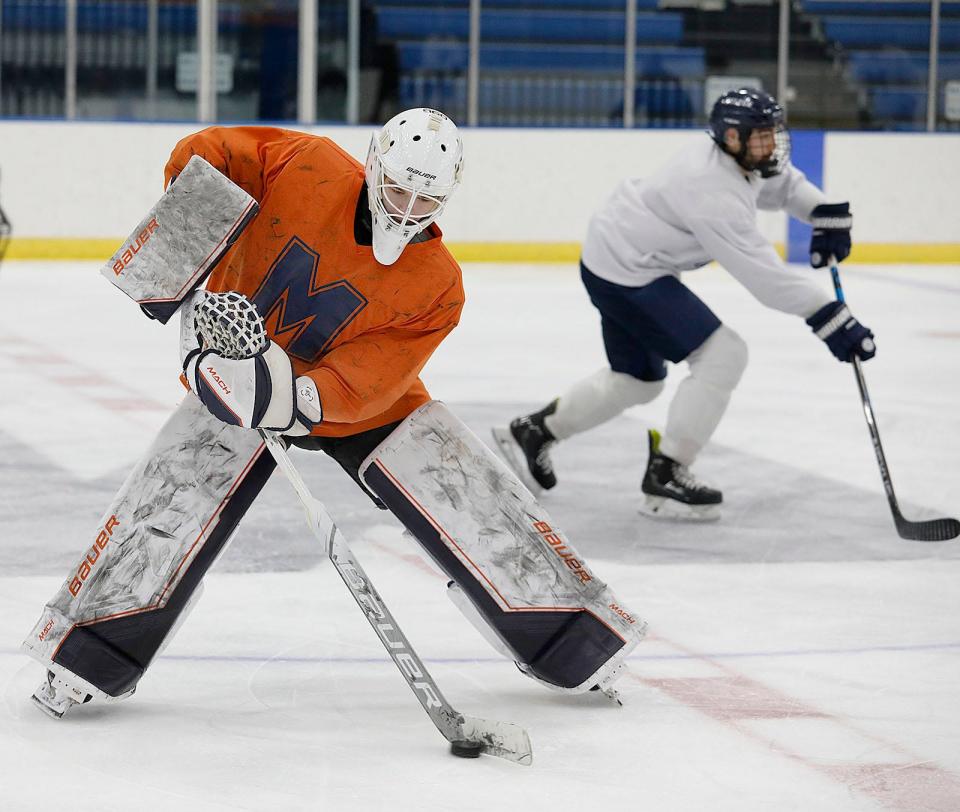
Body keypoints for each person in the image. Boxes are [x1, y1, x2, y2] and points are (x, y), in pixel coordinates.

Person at [23, 108, 643, 719]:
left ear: (448, 198)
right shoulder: (307, 164)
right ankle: (82, 654)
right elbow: (203, 152)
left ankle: (579, 638)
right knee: (173, 491)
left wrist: (296, 398)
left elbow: (372, 376)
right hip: (238, 363)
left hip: (352, 404)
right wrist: (179, 256)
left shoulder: (439, 286)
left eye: (425, 200)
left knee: (467, 485)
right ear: (373, 165)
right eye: (397, 188)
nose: (405, 208)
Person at [493, 88, 875, 522]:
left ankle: (533, 431)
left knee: (638, 381)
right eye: (761, 136)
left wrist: (823, 213)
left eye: (772, 134)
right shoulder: (710, 187)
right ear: (731, 137)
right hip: (628, 272)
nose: (771, 145)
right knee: (724, 354)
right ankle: (668, 473)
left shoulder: (739, 158)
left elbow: (784, 184)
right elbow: (764, 275)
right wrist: (831, 317)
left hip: (617, 257)